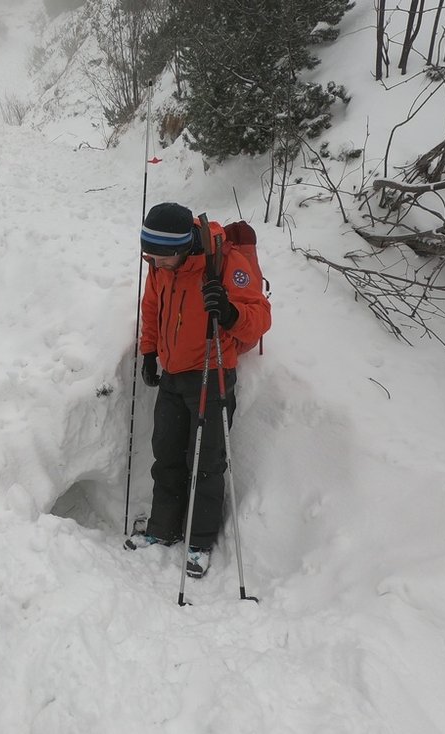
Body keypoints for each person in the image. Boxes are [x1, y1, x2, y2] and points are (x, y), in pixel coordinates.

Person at [125, 202, 271, 578]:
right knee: (167, 455)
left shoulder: (223, 264)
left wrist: (229, 313)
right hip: (173, 374)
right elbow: (152, 307)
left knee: (206, 463)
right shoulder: (160, 266)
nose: (154, 265)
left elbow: (259, 319)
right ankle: (162, 529)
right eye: (149, 257)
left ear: (181, 248)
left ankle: (200, 542)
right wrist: (149, 352)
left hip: (213, 372)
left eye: (160, 258)